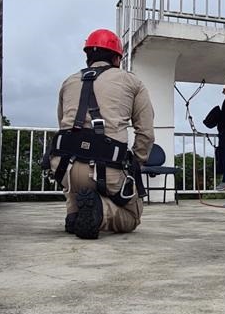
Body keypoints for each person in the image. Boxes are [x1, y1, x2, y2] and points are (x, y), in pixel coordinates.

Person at [47, 28, 154, 239]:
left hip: (63, 166)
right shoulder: (133, 82)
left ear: (88, 57)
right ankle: (100, 213)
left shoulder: (69, 81)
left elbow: (63, 124)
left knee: (75, 182)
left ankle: (74, 213)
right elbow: (146, 132)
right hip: (106, 167)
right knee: (132, 215)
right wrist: (136, 163)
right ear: (117, 58)